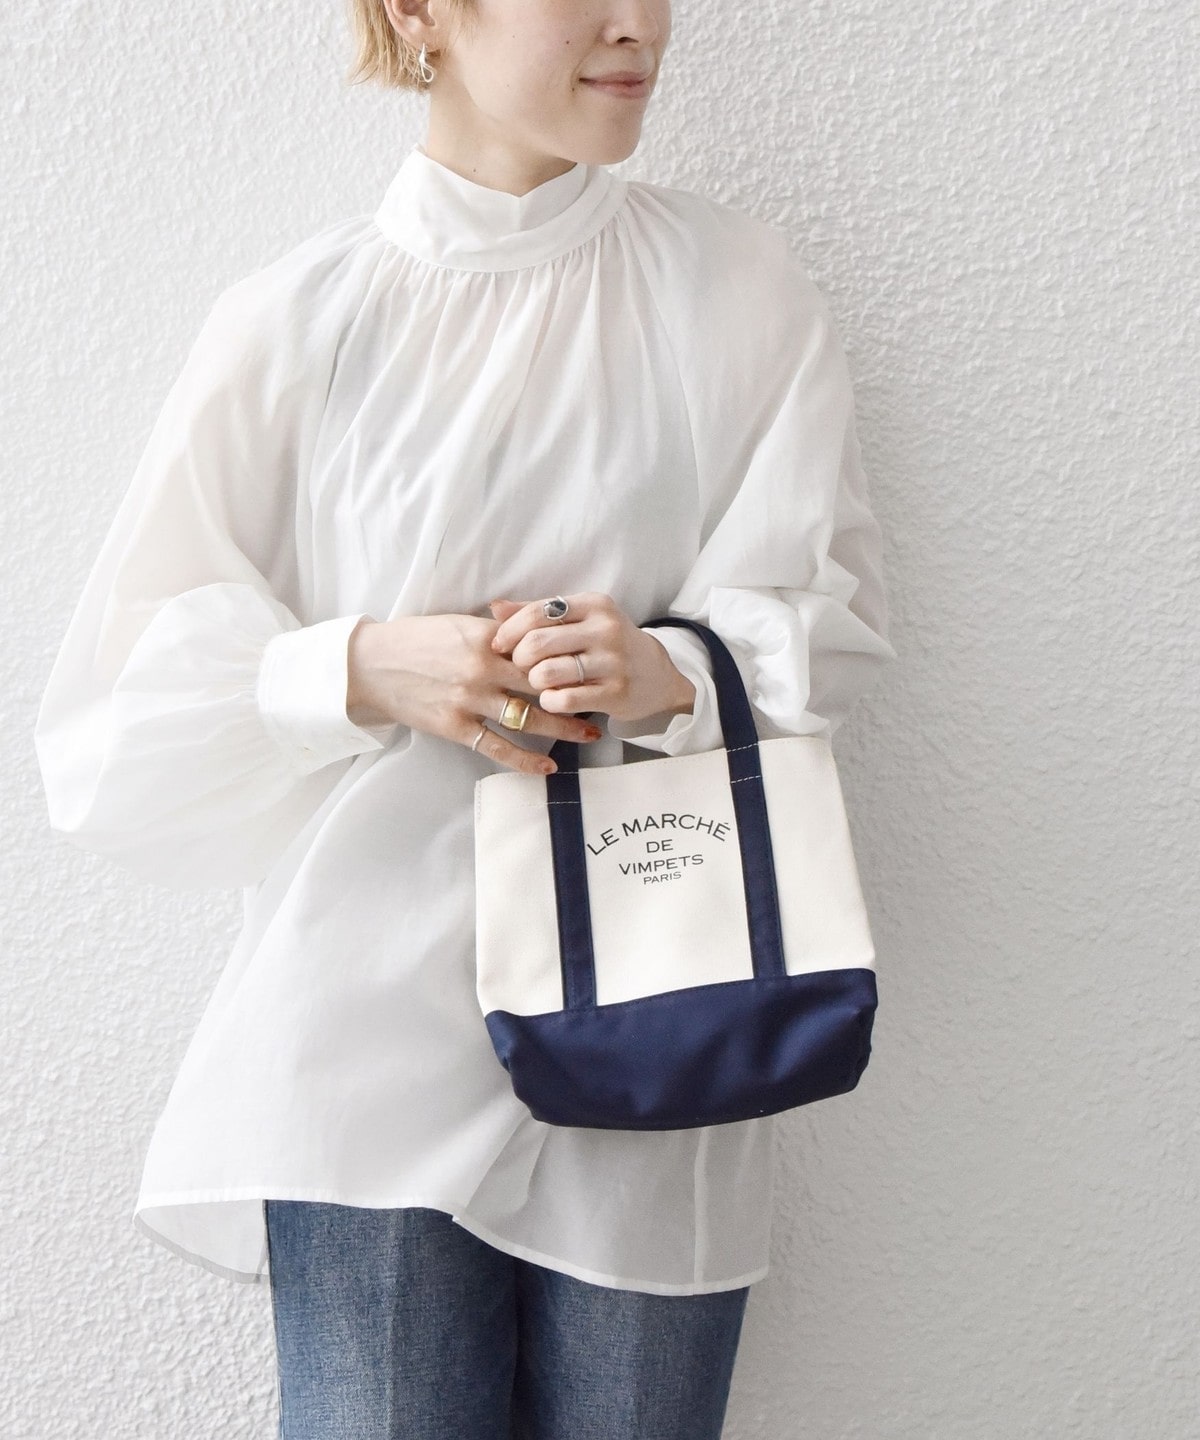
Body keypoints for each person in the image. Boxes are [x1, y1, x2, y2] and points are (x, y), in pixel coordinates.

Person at [33, 0, 897, 1434]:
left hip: (658, 1010)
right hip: (361, 1033)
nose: (637, 25)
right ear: (418, 10)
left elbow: (834, 615)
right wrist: (363, 667)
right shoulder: (298, 321)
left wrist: (665, 669)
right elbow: (118, 710)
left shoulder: (731, 289)